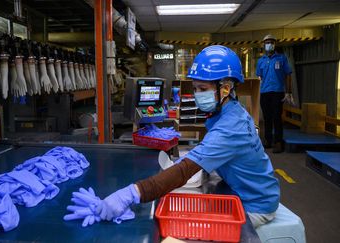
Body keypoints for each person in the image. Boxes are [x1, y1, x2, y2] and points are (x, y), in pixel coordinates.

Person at [96, 45, 280, 228]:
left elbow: (184, 171)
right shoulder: (230, 111)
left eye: (202, 88)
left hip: (254, 205)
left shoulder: (231, 128)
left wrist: (130, 194)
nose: (197, 95)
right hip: (244, 189)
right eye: (195, 88)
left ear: (225, 88)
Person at [256, 34, 294, 153]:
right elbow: (260, 76)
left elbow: (288, 74)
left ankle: (278, 142)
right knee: (267, 117)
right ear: (264, 45)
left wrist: (288, 91)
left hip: (278, 92)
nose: (269, 44)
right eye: (267, 42)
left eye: (272, 42)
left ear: (275, 44)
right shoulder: (261, 61)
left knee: (277, 117)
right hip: (265, 92)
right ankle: (267, 140)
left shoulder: (281, 59)